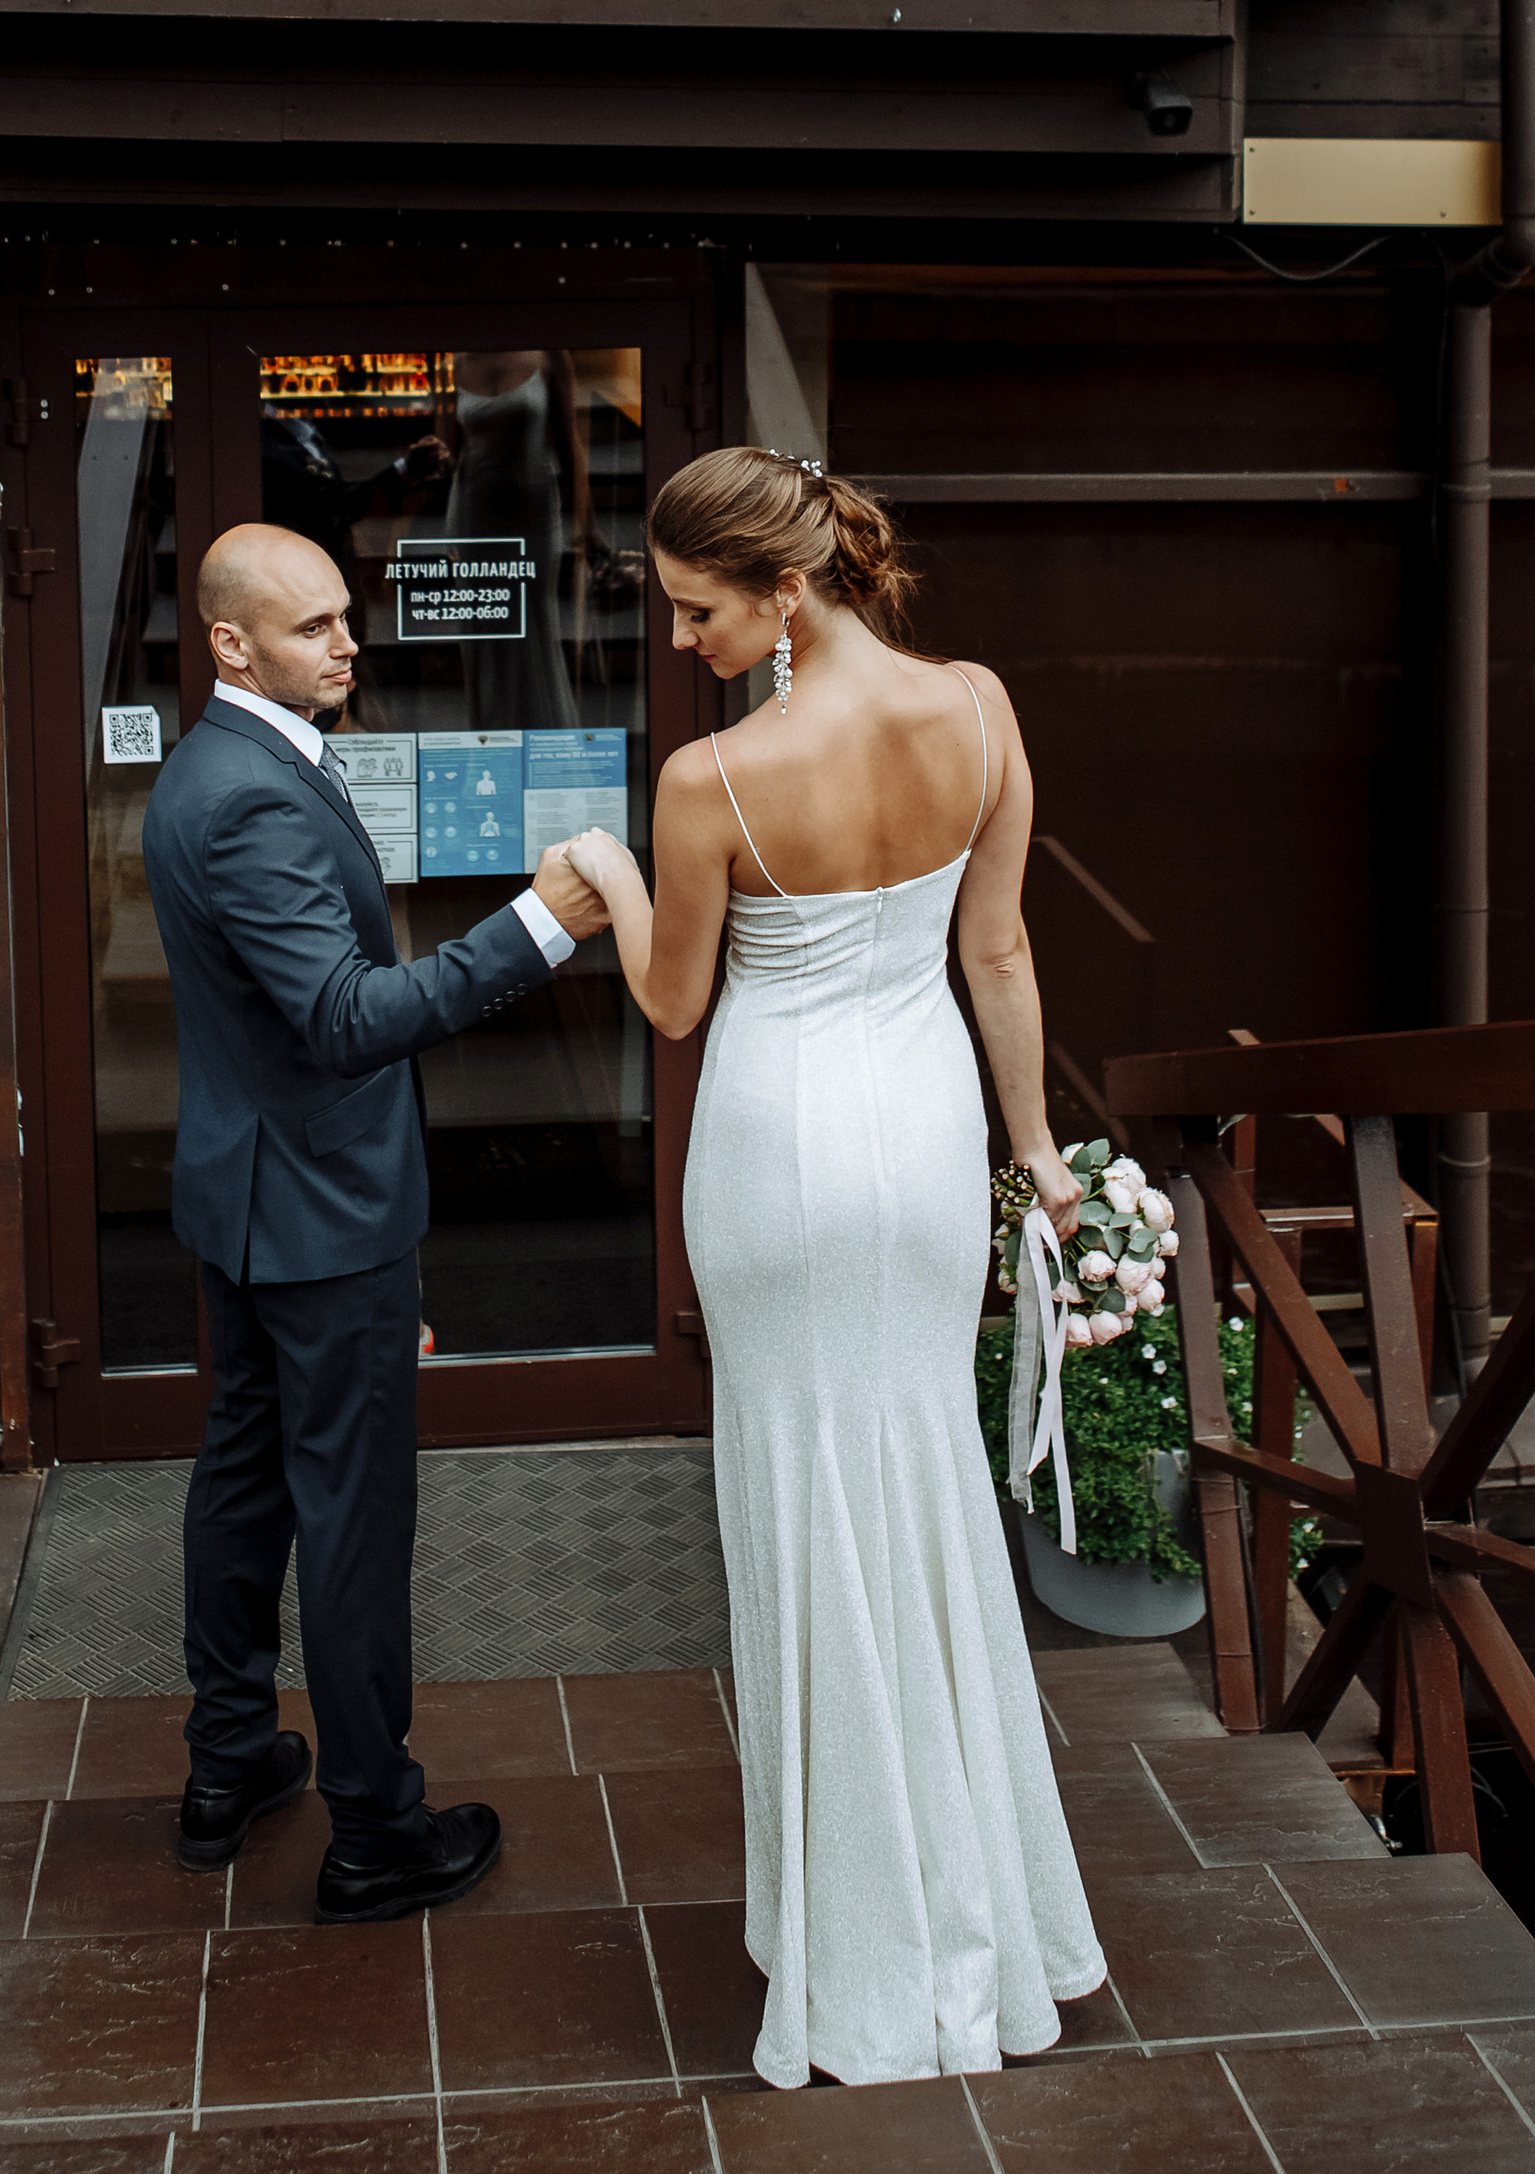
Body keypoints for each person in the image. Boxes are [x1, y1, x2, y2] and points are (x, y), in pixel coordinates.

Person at [557, 449, 1104, 2089]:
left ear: (786, 591)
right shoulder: (983, 709)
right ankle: (978, 1909)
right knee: (927, 1493)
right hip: (931, 1132)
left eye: (697, 609)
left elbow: (671, 1004)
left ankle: (853, 1930)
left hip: (781, 1151)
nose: (681, 641)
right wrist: (1037, 1149)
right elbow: (995, 950)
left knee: (801, 1515)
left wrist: (605, 871)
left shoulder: (710, 779)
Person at [141, 518, 610, 1921]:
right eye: (313, 626)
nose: (349, 642)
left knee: (242, 1475)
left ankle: (229, 1761)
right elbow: (344, 1018)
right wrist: (538, 923)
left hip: (247, 1197)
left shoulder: (214, 769)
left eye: (346, 616)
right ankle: (374, 1829)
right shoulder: (253, 796)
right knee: (350, 1515)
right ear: (232, 644)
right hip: (322, 1216)